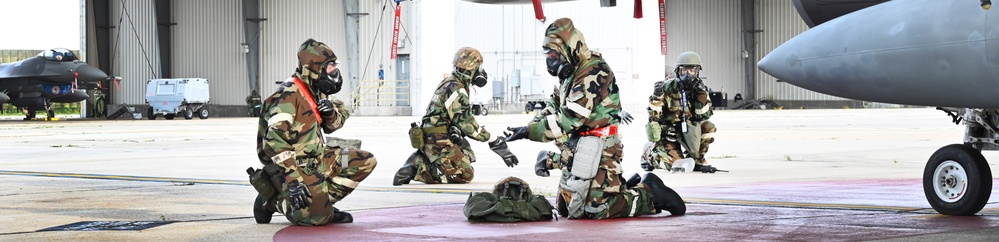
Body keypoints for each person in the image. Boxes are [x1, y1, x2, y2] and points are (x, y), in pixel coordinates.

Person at [504, 18, 685, 219]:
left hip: (602, 146)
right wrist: (531, 125)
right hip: (580, 146)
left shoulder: (593, 71)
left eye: (554, 54)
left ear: (570, 48)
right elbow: (554, 105)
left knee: (597, 210)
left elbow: (568, 119)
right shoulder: (569, 74)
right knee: (566, 207)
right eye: (548, 54)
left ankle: (651, 192)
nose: (551, 60)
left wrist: (527, 132)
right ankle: (618, 187)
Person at [253, 39, 377, 225]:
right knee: (316, 220)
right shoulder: (288, 95)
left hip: (318, 159)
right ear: (313, 68)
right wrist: (294, 180)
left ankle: (321, 204)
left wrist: (330, 114)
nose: (335, 71)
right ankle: (271, 202)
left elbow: (339, 117)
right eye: (330, 66)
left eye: (335, 65)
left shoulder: (317, 90)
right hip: (292, 166)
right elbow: (273, 141)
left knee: (365, 162)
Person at [392, 47, 519, 186]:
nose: (481, 72)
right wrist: (495, 141)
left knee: (466, 155)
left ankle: (427, 159)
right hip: (437, 138)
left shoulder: (451, 82)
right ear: (471, 69)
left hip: (437, 135)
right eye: (478, 67)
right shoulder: (456, 88)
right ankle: (417, 167)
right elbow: (467, 123)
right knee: (464, 175)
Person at [642, 51, 720, 173]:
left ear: (697, 71)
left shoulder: (700, 89)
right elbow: (653, 116)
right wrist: (656, 97)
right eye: (684, 70)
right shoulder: (666, 87)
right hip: (669, 132)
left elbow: (704, 115)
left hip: (687, 130)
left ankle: (697, 159)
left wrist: (701, 95)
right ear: (678, 70)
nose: (688, 74)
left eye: (692, 70)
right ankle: (649, 155)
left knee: (709, 127)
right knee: (674, 165)